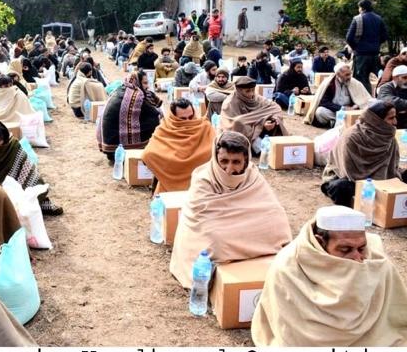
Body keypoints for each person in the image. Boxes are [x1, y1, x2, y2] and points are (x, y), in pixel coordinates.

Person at [251, 206, 407, 346]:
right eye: (345, 250)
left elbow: (394, 318)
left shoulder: (376, 261)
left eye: (361, 248)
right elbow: (294, 335)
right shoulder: (287, 268)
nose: (357, 258)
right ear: (320, 242)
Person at [169, 131, 291, 288]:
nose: (229, 169)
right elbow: (203, 224)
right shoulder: (203, 179)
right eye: (224, 161)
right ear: (216, 158)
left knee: (277, 224)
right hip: (218, 232)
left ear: (246, 161)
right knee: (214, 241)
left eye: (236, 162)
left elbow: (272, 211)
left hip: (237, 229)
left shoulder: (252, 175)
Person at [0, 120, 63, 216]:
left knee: (35, 184)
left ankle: (37, 204)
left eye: (0, 142)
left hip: (12, 183)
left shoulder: (12, 145)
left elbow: (26, 167)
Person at [320, 101, 399, 206]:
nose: (395, 122)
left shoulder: (388, 137)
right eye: (391, 118)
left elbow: (392, 168)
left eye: (394, 117)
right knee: (341, 188)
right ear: (377, 120)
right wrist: (375, 185)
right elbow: (350, 173)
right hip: (351, 179)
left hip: (382, 178)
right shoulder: (352, 138)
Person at [141, 99, 215, 193]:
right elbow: (148, 154)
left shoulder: (204, 126)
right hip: (171, 177)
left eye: (190, 117)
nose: (188, 121)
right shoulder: (165, 128)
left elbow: (216, 148)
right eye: (183, 119)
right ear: (173, 117)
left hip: (202, 186)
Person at [97, 71, 162, 163]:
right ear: (137, 82)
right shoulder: (136, 96)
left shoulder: (121, 90)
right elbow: (155, 114)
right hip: (119, 149)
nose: (147, 86)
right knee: (155, 121)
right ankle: (140, 147)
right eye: (144, 83)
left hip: (110, 147)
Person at [221, 77, 288, 151]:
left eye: (253, 90)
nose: (251, 94)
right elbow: (231, 125)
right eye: (247, 91)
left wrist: (271, 120)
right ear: (239, 91)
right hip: (242, 135)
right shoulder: (229, 103)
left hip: (259, 131)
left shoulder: (256, 98)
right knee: (239, 122)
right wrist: (261, 124)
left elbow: (275, 107)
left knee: (273, 119)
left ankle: (264, 147)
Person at [305, 63, 373, 128]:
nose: (349, 77)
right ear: (338, 74)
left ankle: (339, 122)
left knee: (364, 113)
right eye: (346, 75)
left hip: (351, 110)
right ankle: (342, 122)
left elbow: (363, 100)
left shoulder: (354, 83)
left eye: (350, 74)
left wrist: (355, 106)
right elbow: (324, 102)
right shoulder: (329, 84)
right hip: (335, 111)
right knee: (320, 112)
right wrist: (342, 108)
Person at [346, 0, 388, 92]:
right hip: (375, 55)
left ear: (362, 8)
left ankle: (366, 102)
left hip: (361, 55)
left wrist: (355, 47)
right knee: (380, 77)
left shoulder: (358, 18)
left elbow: (349, 38)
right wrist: (376, 44)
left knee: (361, 80)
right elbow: (385, 36)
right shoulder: (379, 19)